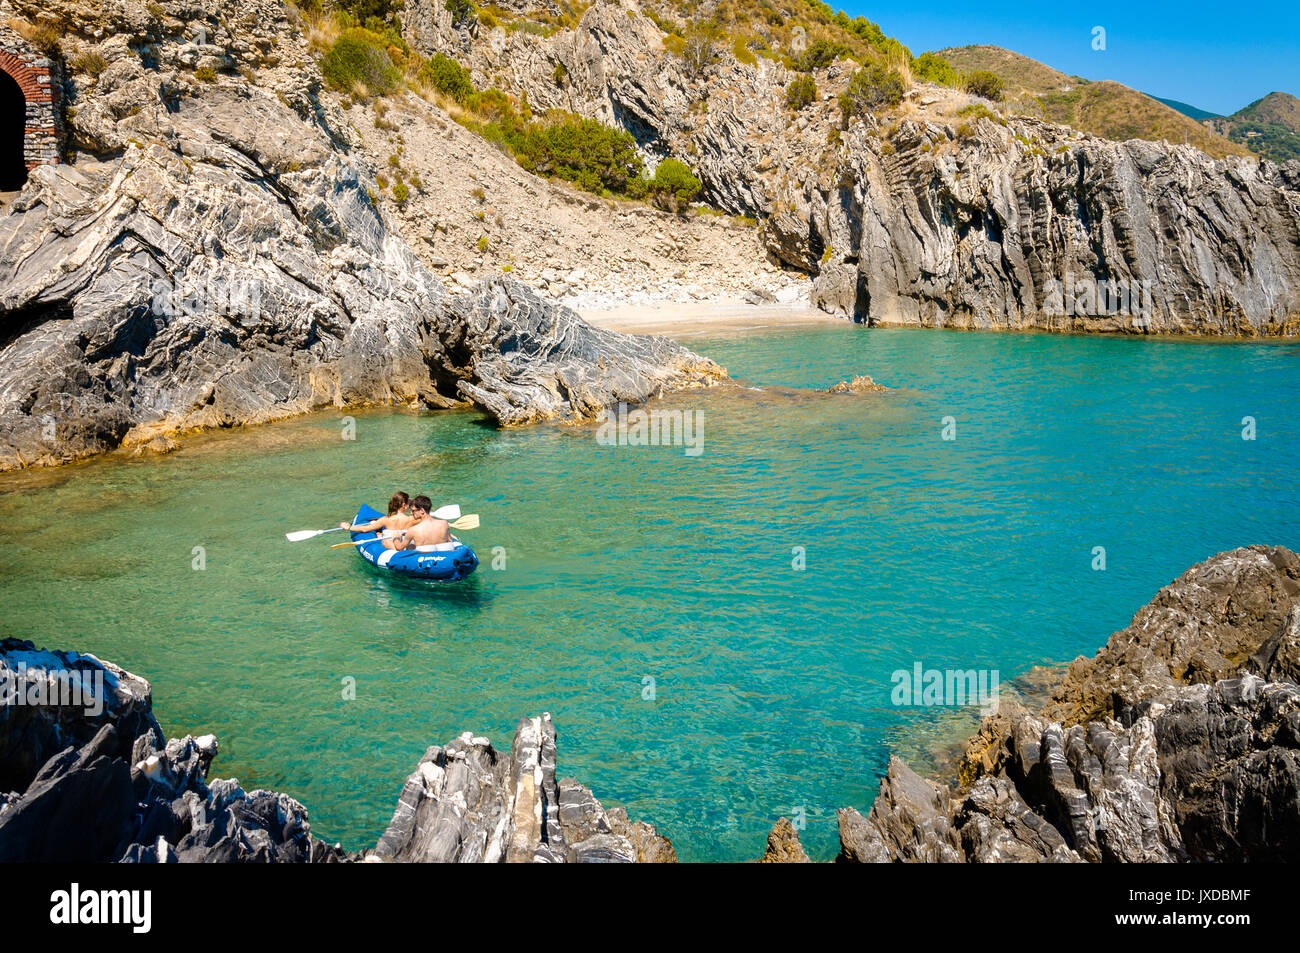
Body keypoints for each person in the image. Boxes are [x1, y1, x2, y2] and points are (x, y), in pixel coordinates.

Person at [340, 492, 417, 549]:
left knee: (383, 538)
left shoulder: (386, 520)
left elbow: (365, 529)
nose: (409, 507)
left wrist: (349, 527)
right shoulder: (412, 519)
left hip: (392, 546)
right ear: (404, 505)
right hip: (406, 545)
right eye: (408, 504)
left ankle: (380, 535)